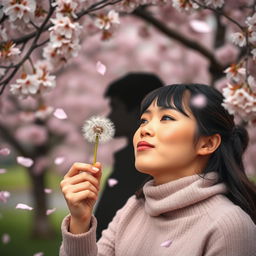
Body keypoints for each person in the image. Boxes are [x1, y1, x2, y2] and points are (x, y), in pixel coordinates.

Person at [59, 83, 256, 256]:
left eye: (167, 118)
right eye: (144, 120)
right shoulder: (135, 208)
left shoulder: (229, 227)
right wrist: (80, 220)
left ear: (207, 143)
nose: (144, 129)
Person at [94, 72, 164, 239]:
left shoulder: (140, 167)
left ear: (140, 111)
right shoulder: (129, 160)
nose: (109, 116)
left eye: (115, 107)